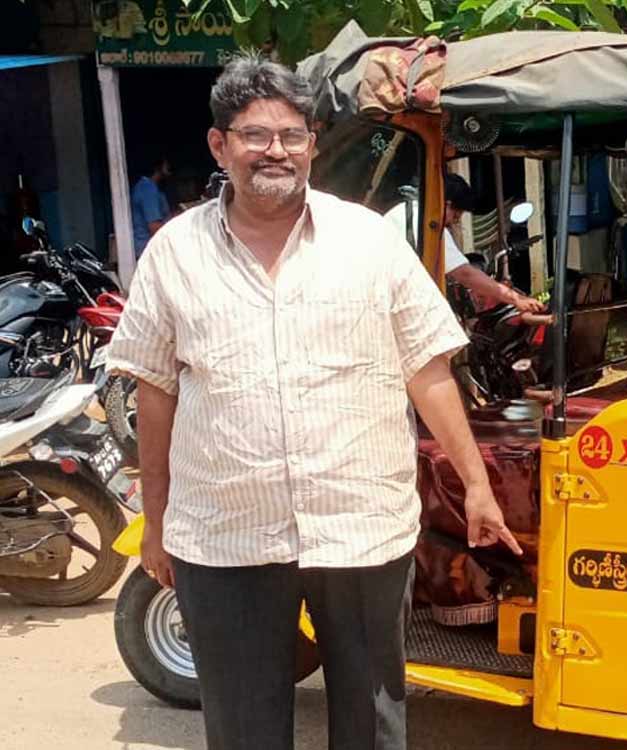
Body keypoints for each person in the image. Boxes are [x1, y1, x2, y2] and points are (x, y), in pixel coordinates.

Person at [108, 54, 521, 750]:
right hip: (227, 532)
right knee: (244, 729)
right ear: (220, 145)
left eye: (293, 135)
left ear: (313, 144)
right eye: (255, 134)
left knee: (372, 722)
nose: (277, 150)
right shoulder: (174, 253)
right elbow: (156, 391)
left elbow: (428, 369)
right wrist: (156, 518)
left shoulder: (370, 243)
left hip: (359, 526)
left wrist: (477, 486)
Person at [384, 173, 543, 313]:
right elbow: (464, 274)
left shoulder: (404, 211)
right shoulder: (426, 222)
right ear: (446, 204)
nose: (455, 221)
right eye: (456, 214)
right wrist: (516, 299)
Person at [130, 156, 172, 258]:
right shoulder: (148, 189)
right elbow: (154, 226)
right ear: (158, 167)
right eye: (167, 166)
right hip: (149, 252)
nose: (169, 168)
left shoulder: (150, 188)